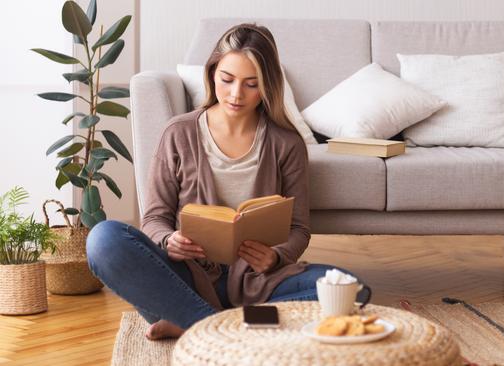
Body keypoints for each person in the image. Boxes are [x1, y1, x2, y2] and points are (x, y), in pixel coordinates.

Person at [86, 23, 369, 340]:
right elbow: (154, 218)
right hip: (186, 279)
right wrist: (169, 240)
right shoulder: (178, 133)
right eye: (227, 79)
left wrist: (276, 256)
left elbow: (299, 229)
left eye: (251, 84)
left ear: (267, 86)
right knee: (103, 239)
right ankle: (230, 325)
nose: (236, 94)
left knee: (350, 289)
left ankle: (200, 324)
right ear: (211, 74)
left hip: (259, 281)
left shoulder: (286, 143)